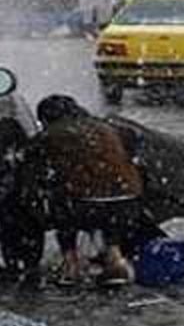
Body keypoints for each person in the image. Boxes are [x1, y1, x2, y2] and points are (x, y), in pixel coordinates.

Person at [18, 95, 145, 286]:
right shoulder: (107, 127)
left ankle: (71, 265)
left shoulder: (51, 134)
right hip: (127, 200)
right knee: (111, 217)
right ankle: (115, 259)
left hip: (82, 204)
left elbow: (27, 161)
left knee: (61, 203)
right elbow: (134, 138)